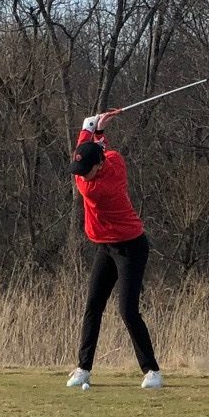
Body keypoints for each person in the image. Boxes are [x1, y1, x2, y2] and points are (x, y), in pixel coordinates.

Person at [66, 112, 162, 391]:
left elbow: (94, 151)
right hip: (105, 247)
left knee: (127, 310)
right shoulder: (112, 159)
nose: (82, 175)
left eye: (87, 170)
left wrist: (89, 126)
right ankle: (84, 368)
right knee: (93, 305)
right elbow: (91, 152)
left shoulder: (95, 187)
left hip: (131, 246)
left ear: (99, 166)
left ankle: (152, 371)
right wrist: (96, 133)